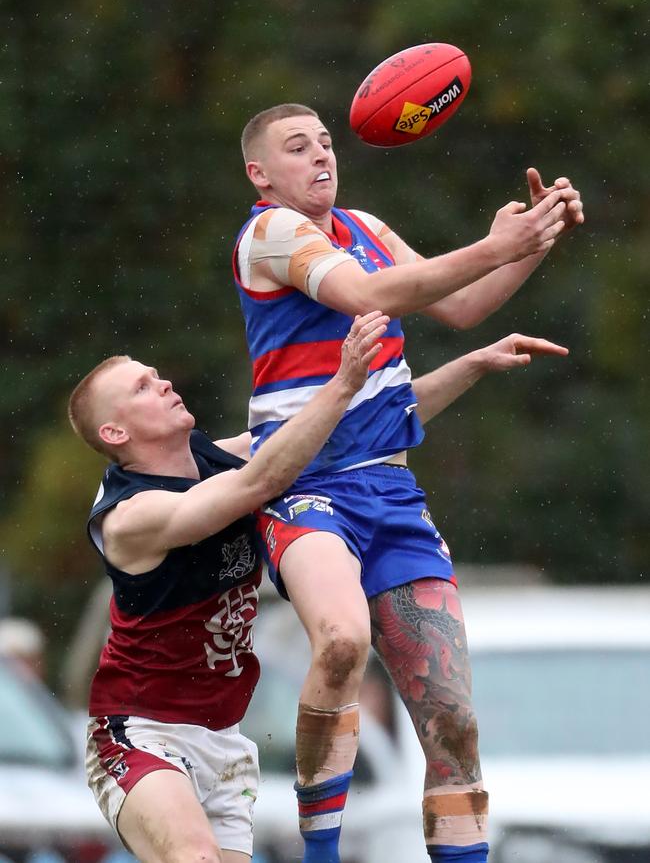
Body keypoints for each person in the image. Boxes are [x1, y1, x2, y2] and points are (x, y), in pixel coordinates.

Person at [233, 103, 583, 863]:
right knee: (341, 639)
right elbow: (367, 296)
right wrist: (495, 242)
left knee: (453, 720)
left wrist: (533, 240)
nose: (321, 155)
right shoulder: (270, 233)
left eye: (326, 142)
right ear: (260, 174)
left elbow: (456, 304)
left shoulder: (364, 222)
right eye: (298, 147)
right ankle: (319, 854)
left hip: (392, 496)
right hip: (307, 487)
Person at [67, 311, 389, 863]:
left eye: (156, 374)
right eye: (142, 387)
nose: (164, 382)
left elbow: (362, 431)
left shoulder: (218, 460)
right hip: (142, 733)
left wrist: (472, 363)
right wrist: (342, 381)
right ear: (115, 433)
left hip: (226, 741)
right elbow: (262, 480)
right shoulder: (130, 516)